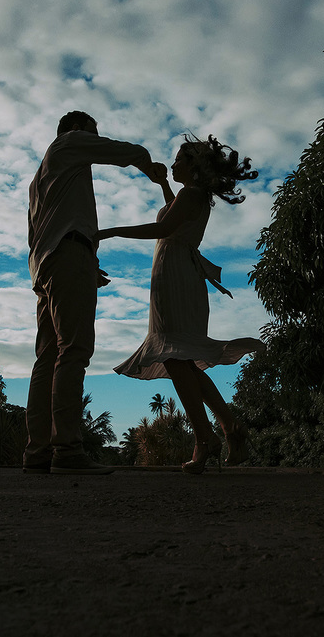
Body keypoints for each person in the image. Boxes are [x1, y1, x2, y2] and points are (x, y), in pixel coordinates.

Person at [97, 134, 264, 474]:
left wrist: (110, 232)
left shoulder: (192, 195)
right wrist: (161, 186)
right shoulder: (192, 196)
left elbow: (166, 226)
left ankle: (207, 438)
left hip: (176, 276)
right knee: (181, 359)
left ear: (193, 165)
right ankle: (228, 428)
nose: (172, 165)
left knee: (174, 357)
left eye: (177, 160)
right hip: (177, 275)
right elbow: (174, 214)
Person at [26, 111, 166, 475]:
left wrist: (83, 258)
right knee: (73, 351)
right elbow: (125, 151)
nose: (93, 140)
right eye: (93, 134)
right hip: (66, 255)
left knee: (47, 356)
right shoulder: (70, 143)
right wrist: (149, 165)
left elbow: (43, 229)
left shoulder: (40, 178)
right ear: (79, 130)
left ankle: (38, 451)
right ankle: (68, 451)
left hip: (48, 263)